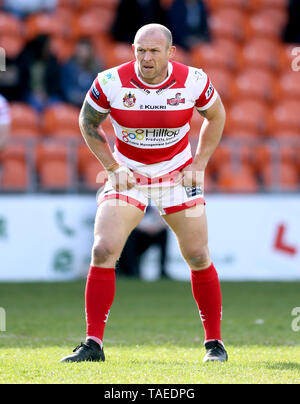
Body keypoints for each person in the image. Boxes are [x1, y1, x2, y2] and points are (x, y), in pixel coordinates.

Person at [60, 24, 227, 364]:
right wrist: (111, 167)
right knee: (103, 249)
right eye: (140, 50)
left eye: (153, 51)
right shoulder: (111, 82)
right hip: (128, 174)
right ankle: (93, 344)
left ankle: (214, 344)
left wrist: (199, 163)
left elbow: (216, 115)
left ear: (170, 52)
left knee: (197, 254)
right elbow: (87, 122)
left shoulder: (193, 80)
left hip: (177, 174)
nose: (146, 57)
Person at [116, 205, 169, 278]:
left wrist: (155, 227)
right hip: (133, 239)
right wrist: (146, 228)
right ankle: (132, 270)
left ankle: (162, 270)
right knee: (131, 235)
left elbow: (165, 219)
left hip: (148, 234)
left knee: (163, 233)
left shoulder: (153, 204)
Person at [60, 39, 103, 107]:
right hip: (71, 105)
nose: (83, 54)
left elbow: (99, 91)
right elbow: (67, 90)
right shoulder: (68, 67)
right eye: (81, 51)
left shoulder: (96, 68)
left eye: (86, 51)